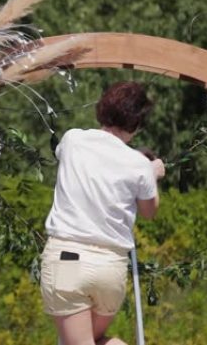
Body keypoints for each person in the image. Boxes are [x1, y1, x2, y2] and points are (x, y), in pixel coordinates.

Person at [40, 81, 165, 345]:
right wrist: (151, 174)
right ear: (136, 125)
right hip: (110, 267)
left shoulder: (72, 139)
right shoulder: (139, 165)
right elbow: (149, 211)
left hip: (68, 260)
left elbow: (87, 162)